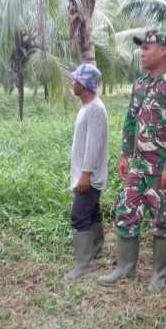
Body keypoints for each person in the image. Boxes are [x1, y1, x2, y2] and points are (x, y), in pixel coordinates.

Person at [97, 30, 166, 293]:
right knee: (126, 212)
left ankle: (158, 275)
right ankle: (126, 268)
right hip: (138, 166)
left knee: (163, 219)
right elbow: (130, 120)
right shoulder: (140, 84)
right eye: (141, 47)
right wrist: (125, 154)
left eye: (147, 47)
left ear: (163, 51)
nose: (142, 51)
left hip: (163, 169)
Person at [64, 63, 109, 281]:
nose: (73, 84)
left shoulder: (95, 109)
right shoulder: (87, 107)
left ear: (84, 84)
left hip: (88, 176)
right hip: (85, 174)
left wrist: (86, 173)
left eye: (76, 80)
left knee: (79, 215)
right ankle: (95, 251)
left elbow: (95, 145)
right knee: (91, 212)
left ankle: (84, 264)